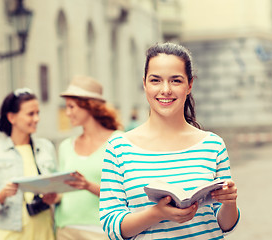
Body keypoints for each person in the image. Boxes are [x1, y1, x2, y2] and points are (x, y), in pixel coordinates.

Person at [99, 42, 240, 240]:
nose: (165, 90)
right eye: (156, 80)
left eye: (176, 81)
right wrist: (157, 213)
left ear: (189, 85)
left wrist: (229, 202)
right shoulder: (118, 148)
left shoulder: (213, 145)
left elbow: (224, 225)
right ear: (144, 84)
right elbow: (111, 226)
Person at [0, 88, 57, 240]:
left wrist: (54, 197)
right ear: (12, 117)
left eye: (38, 113)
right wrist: (3, 194)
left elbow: (58, 189)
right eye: (30, 114)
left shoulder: (46, 147)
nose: (36, 119)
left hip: (43, 230)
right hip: (9, 233)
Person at [55, 75, 123, 240]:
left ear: (89, 106)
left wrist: (88, 186)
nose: (68, 113)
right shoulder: (65, 146)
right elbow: (62, 193)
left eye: (72, 107)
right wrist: (51, 196)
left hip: (101, 231)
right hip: (65, 229)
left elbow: (124, 193)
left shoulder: (118, 141)